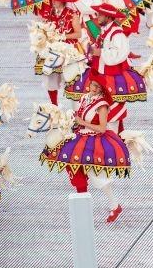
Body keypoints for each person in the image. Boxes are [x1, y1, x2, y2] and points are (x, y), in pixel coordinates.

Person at [40, 74, 135, 223]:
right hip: (81, 136)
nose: (94, 88)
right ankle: (83, 203)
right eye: (93, 85)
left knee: (96, 176)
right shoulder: (84, 98)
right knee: (72, 166)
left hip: (94, 139)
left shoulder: (102, 105)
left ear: (102, 89)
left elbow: (102, 128)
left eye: (98, 87)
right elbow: (78, 118)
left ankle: (114, 205)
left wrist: (82, 121)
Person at [65, 0, 147, 110]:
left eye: (100, 15)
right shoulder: (104, 31)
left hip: (111, 74)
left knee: (111, 108)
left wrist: (101, 52)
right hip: (99, 70)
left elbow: (120, 53)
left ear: (108, 17)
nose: (97, 16)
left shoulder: (117, 34)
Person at [36, 0, 83, 105]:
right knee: (49, 76)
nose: (53, 1)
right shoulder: (48, 13)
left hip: (69, 48)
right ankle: (54, 106)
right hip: (52, 49)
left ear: (62, 1)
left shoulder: (72, 14)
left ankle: (76, 110)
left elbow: (78, 34)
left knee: (72, 79)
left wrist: (63, 36)